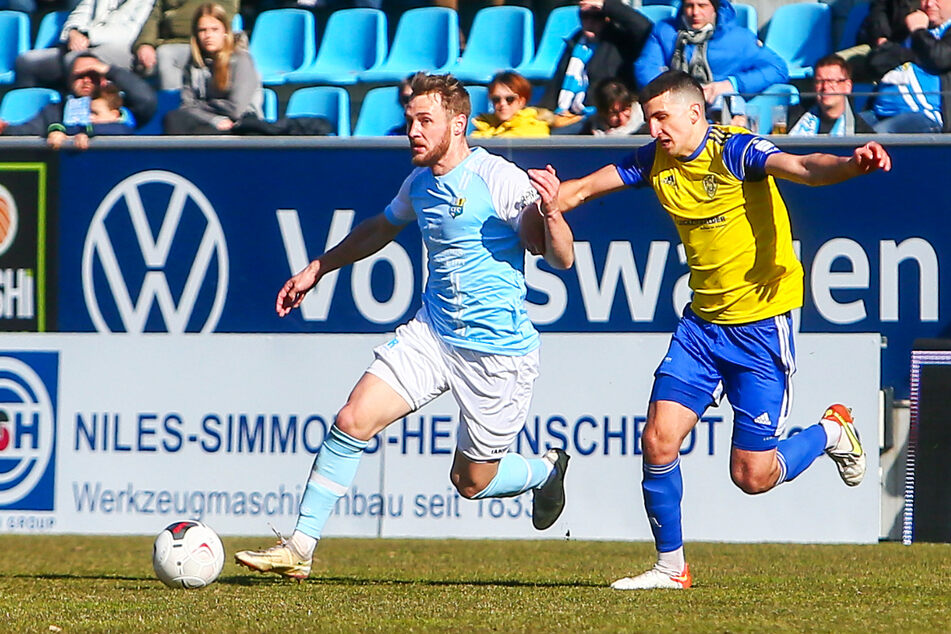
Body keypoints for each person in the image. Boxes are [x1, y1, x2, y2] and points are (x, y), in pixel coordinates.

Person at [527, 70, 890, 590]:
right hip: (702, 327)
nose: (653, 129)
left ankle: (832, 431)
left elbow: (805, 166)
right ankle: (672, 568)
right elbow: (580, 190)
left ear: (695, 114)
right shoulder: (654, 160)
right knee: (657, 441)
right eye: (648, 118)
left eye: (661, 118)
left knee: (752, 476)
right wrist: (546, 195)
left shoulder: (736, 152)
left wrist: (854, 164)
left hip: (763, 327)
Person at [233, 72, 575, 580]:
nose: (412, 130)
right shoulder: (419, 182)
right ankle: (299, 547)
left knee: (470, 481)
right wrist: (317, 268)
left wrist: (550, 214)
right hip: (433, 335)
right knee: (352, 419)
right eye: (411, 119)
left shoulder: (498, 178)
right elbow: (380, 227)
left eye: (424, 121)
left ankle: (546, 470)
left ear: (458, 125)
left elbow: (560, 257)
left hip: (496, 354)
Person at [635, 0, 788, 121]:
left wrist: (732, 83)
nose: (695, 12)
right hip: (675, 105)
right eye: (689, 5)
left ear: (715, 8)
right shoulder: (665, 31)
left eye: (702, 5)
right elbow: (646, 68)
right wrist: (675, 92)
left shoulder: (740, 39)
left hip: (717, 108)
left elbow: (778, 68)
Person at [537, 0, 652, 131]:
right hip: (565, 114)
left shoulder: (620, 41)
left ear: (607, 18)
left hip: (599, 117)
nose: (590, 22)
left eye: (597, 17)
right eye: (584, 16)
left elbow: (645, 29)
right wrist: (544, 111)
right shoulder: (576, 41)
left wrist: (606, 4)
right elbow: (557, 82)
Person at [163, 2, 263, 135]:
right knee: (173, 119)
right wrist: (214, 119)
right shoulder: (193, 64)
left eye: (214, 29)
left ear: (225, 32)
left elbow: (236, 109)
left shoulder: (241, 59)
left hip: (239, 124)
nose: (208, 35)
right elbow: (185, 106)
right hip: (210, 121)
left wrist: (200, 105)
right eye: (202, 30)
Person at [0, 53, 157, 136]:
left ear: (103, 79)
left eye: (92, 75)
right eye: (79, 77)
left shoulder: (119, 105)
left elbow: (146, 100)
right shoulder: (57, 111)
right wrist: (5, 129)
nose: (86, 81)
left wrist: (110, 71)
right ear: (69, 81)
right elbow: (29, 131)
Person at [13, 0, 153, 89]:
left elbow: (129, 32)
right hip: (82, 44)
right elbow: (80, 12)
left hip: (121, 49)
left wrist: (88, 36)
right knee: (26, 61)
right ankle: (26, 121)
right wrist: (73, 31)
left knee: (76, 60)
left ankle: (68, 116)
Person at [862, 0, 951, 132]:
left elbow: (939, 58)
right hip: (879, 113)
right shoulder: (909, 29)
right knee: (846, 128)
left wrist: (918, 30)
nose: (929, 4)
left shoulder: (920, 29)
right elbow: (875, 62)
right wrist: (913, 54)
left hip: (923, 116)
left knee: (874, 137)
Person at [133, 0, 240, 90]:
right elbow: (155, 15)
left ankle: (172, 106)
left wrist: (173, 20)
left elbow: (214, 18)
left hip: (197, 43)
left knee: (166, 55)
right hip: (166, 42)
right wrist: (145, 43)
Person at [788, 55, 875, 135]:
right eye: (820, 81)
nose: (825, 87)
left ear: (847, 87)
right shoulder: (794, 117)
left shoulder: (860, 131)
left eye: (831, 81)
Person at [46, 82, 135, 149]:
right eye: (90, 113)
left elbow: (117, 130)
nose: (90, 117)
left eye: (96, 113)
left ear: (114, 115)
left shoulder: (123, 129)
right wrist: (57, 131)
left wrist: (83, 132)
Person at [471, 70, 550, 137]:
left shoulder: (535, 128)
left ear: (521, 101)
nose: (502, 103)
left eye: (510, 99)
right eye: (496, 99)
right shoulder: (483, 127)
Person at [578, 78, 645, 135]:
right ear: (602, 113)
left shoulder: (646, 127)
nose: (621, 118)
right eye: (614, 113)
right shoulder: (589, 131)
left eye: (624, 110)